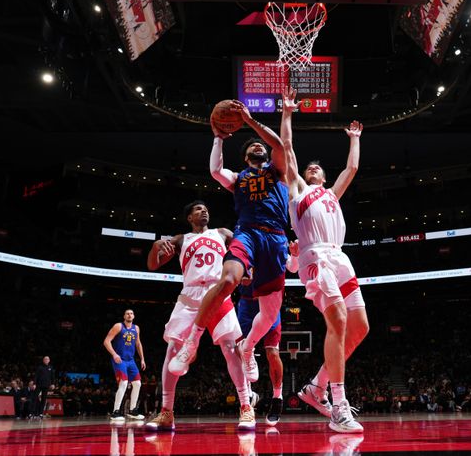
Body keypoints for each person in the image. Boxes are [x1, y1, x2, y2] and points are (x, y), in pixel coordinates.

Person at [170, 100, 290, 390]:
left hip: (275, 238)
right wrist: (217, 139)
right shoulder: (238, 178)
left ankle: (248, 349)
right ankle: (192, 341)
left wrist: (249, 121)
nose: (258, 148)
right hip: (247, 232)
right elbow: (214, 170)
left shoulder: (277, 170)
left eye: (260, 147)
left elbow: (279, 146)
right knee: (227, 279)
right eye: (252, 148)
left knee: (270, 314)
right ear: (246, 156)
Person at [280, 86, 368, 433]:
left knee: (360, 328)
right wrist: (288, 112)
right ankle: (339, 405)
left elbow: (353, 167)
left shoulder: (332, 194)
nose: (313, 168)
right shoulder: (298, 190)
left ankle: (315, 388)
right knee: (340, 319)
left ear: (325, 177)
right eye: (309, 167)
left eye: (317, 167)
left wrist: (355, 137)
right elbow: (286, 149)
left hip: (340, 258)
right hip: (314, 256)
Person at [144, 200, 254, 430]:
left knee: (231, 349)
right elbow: (153, 266)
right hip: (190, 295)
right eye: (197, 209)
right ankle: (166, 412)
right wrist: (155, 247)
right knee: (173, 349)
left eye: (206, 208)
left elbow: (243, 253)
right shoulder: (181, 239)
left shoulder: (222, 233)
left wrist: (248, 269)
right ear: (189, 218)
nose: (204, 210)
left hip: (217, 293)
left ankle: (246, 406)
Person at [236, 244, 299, 427]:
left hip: (270, 303)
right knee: (240, 350)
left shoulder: (275, 239)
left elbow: (293, 267)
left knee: (272, 353)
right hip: (247, 305)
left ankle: (277, 398)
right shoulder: (245, 241)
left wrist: (294, 256)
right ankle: (248, 394)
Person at [103, 309, 146, 423]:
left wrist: (142, 359)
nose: (129, 315)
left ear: (134, 316)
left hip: (131, 360)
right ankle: (115, 411)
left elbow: (138, 343)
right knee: (124, 383)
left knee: (137, 383)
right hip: (120, 359)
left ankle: (132, 410)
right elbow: (106, 341)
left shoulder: (136, 328)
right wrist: (114, 354)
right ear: (124, 316)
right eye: (127, 313)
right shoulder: (118, 326)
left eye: (131, 313)